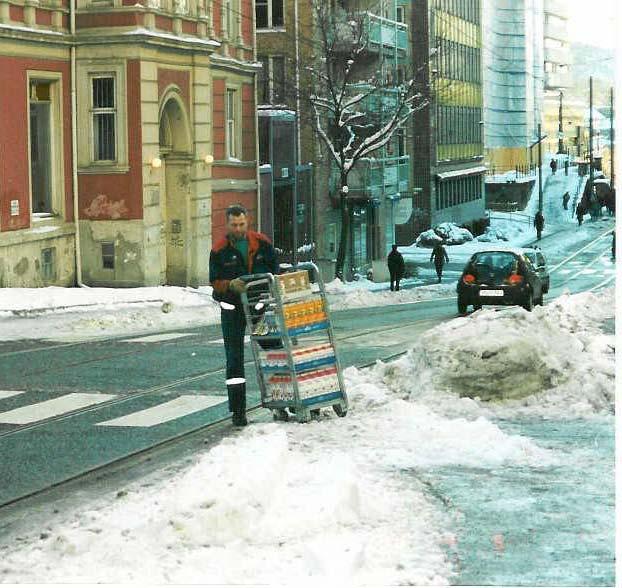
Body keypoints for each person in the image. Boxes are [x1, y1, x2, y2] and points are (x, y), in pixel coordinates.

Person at [209, 204, 278, 427]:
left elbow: (275, 273)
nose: (238, 229)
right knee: (234, 360)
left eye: (241, 224)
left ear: (247, 222)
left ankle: (284, 396)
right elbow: (215, 282)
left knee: (274, 349)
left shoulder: (262, 243)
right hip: (232, 311)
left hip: (259, 308)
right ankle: (238, 411)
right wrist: (230, 285)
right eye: (233, 225)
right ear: (227, 224)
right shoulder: (219, 250)